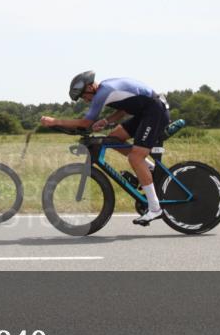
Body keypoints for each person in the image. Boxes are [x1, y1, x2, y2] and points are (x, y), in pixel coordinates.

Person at [40, 71, 170, 224]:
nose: (85, 100)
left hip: (155, 111)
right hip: (146, 112)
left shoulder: (103, 92)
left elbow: (85, 123)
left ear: (90, 87)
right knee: (113, 138)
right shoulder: (106, 89)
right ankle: (150, 169)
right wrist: (106, 121)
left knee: (136, 157)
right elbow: (125, 108)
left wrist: (55, 121)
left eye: (83, 96)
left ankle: (155, 208)